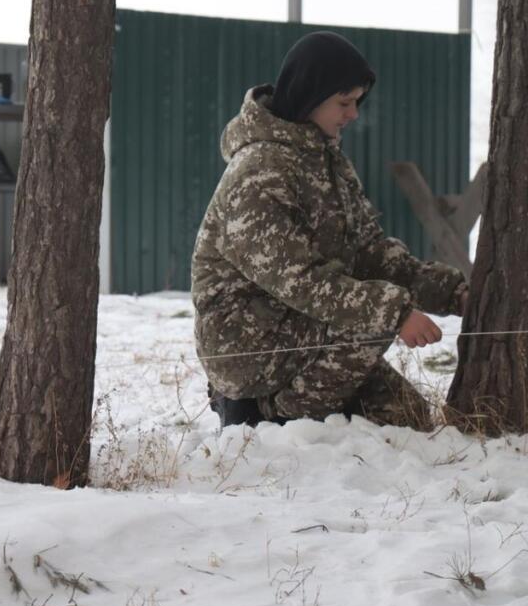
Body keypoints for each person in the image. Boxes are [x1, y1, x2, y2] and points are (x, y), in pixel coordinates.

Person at [191, 31, 468, 431]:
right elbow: (297, 280)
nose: (353, 114)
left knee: (408, 419)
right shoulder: (259, 172)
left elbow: (370, 253)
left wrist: (453, 292)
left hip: (306, 331)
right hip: (250, 350)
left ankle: (299, 406)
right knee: (372, 321)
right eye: (344, 102)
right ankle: (261, 414)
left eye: (356, 101)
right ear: (309, 96)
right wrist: (395, 312)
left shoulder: (326, 161)